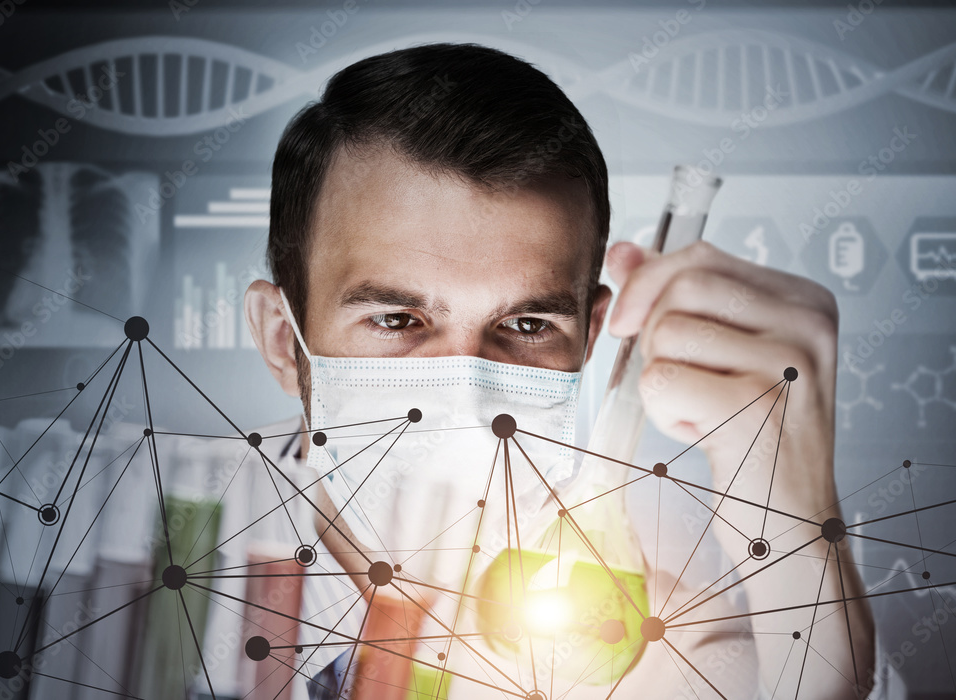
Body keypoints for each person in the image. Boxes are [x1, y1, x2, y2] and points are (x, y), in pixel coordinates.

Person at [245, 42, 895, 700]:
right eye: (396, 319)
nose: (467, 391)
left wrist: (805, 547)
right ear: (280, 339)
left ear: (590, 339)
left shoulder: (653, 640)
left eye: (527, 326)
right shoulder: (165, 568)